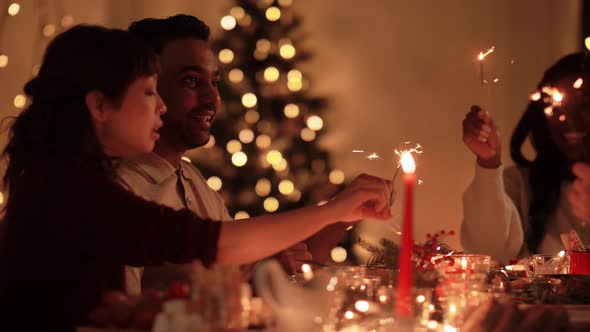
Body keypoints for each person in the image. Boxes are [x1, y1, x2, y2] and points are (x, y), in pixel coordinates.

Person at [0, 25, 392, 331]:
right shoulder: (73, 191)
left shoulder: (74, 180)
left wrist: (337, 214)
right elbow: (210, 244)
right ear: (100, 106)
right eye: (150, 92)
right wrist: (332, 209)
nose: (161, 106)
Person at [118, 14, 350, 293]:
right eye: (191, 81)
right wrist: (335, 210)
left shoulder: (194, 181)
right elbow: (120, 316)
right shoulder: (120, 188)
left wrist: (342, 215)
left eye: (214, 82)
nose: (212, 98)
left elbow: (236, 271)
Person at [461, 52, 590, 262]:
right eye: (557, 105)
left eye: (586, 104)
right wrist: (488, 163)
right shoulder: (521, 185)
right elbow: (488, 252)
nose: (570, 118)